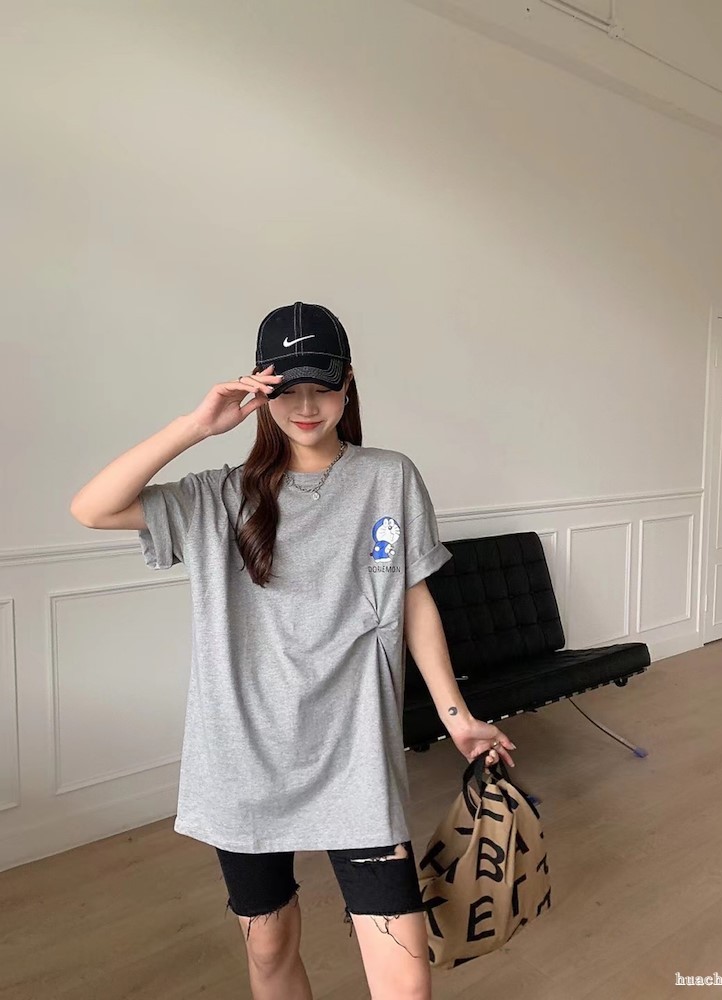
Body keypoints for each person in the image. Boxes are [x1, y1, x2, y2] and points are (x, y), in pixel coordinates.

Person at [70, 301, 517, 1000]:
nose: (307, 406)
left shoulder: (389, 477)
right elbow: (91, 508)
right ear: (260, 390)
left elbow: (413, 599)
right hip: (242, 762)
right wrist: (196, 426)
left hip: (355, 756)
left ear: (348, 384)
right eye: (288, 389)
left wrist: (456, 716)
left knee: (406, 980)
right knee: (270, 946)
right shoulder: (219, 496)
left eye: (323, 387)